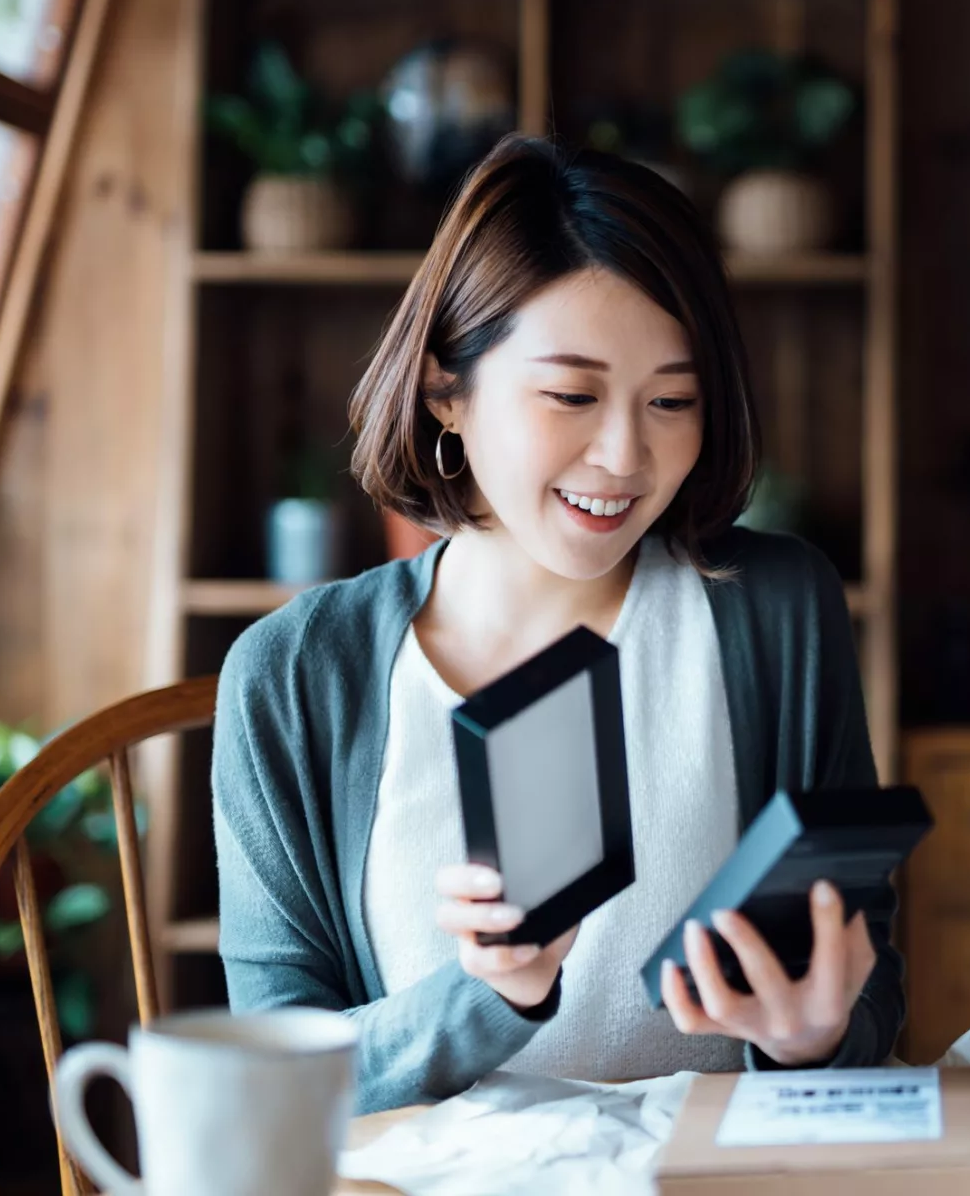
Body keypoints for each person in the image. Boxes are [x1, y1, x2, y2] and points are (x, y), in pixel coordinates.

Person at [212, 135, 903, 1114]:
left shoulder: (774, 609)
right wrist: (491, 991)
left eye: (673, 399)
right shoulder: (291, 674)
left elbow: (869, 983)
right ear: (447, 390)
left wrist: (814, 1033)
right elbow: (275, 1081)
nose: (624, 452)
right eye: (571, 394)